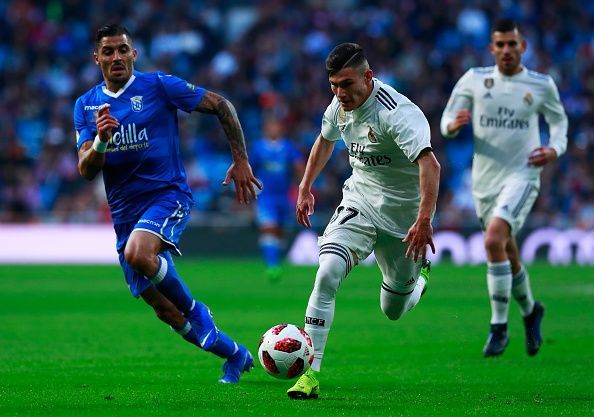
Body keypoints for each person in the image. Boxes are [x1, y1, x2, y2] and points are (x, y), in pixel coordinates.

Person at [74, 24, 262, 383]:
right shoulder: (86, 105)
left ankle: (198, 310)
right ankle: (235, 355)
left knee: (139, 254)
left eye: (123, 49)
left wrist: (240, 159)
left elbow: (221, 104)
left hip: (167, 196)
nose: (117, 57)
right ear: (96, 58)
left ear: (134, 54)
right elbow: (85, 169)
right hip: (125, 215)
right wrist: (100, 141)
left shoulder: (158, 86)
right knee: (164, 310)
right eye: (109, 51)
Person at [287, 43, 441, 399]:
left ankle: (420, 282)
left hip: (404, 222)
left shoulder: (397, 113)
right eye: (334, 86)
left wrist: (424, 219)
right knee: (326, 272)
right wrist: (306, 186)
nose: (340, 93)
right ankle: (311, 374)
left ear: (368, 77)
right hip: (360, 203)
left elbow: (430, 165)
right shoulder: (338, 106)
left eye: (347, 84)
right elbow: (324, 142)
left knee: (393, 310)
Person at [440, 19, 568, 357]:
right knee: (506, 249)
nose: (507, 50)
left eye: (513, 44)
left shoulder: (540, 85)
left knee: (494, 239)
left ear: (522, 46)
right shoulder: (475, 80)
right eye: (501, 45)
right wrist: (453, 125)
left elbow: (559, 123)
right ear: (492, 48)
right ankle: (530, 309)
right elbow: (446, 119)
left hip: (522, 174)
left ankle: (498, 327)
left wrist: (555, 148)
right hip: (484, 181)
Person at [249, 118, 304, 281]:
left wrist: (301, 186)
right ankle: (272, 266)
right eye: (271, 126)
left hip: (283, 195)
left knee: (280, 232)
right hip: (265, 196)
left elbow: (299, 165)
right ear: (265, 129)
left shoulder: (287, 146)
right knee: (269, 227)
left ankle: (275, 259)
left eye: (276, 125)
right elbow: (250, 168)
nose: (274, 129)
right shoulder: (258, 147)